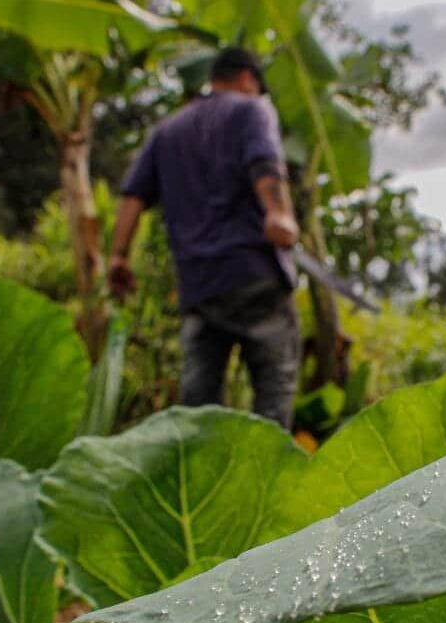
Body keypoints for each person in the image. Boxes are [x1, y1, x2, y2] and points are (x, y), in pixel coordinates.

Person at [108, 48, 302, 429]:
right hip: (253, 275)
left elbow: (133, 197)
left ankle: (202, 484)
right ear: (248, 78)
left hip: (198, 287)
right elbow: (264, 162)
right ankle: (270, 483)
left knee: (198, 408)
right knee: (273, 395)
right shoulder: (252, 109)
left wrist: (118, 256)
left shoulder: (166, 132)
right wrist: (279, 213)